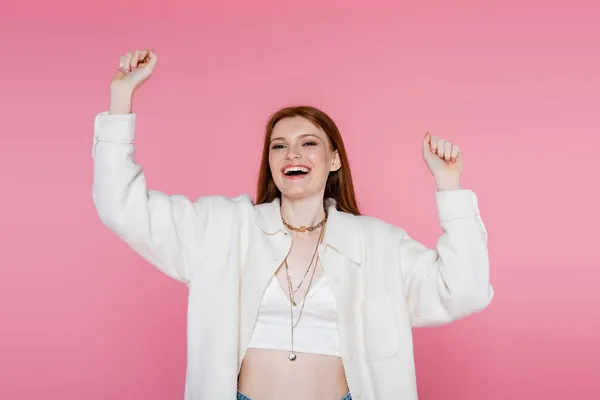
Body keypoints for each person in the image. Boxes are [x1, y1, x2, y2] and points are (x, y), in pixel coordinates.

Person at [92, 49, 494, 400]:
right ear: (269, 161)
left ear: (334, 159)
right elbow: (121, 207)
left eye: (308, 142)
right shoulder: (223, 228)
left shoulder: (377, 244)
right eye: (279, 145)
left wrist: (450, 188)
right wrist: (121, 98)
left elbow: (464, 292)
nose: (292, 153)